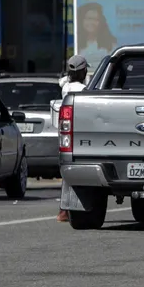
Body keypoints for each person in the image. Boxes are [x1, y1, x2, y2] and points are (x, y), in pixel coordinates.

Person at [57, 55, 88, 222]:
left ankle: (65, 210)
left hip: (65, 133)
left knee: (66, 171)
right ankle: (64, 210)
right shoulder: (83, 90)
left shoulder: (65, 86)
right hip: (77, 133)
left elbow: (62, 81)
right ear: (83, 71)